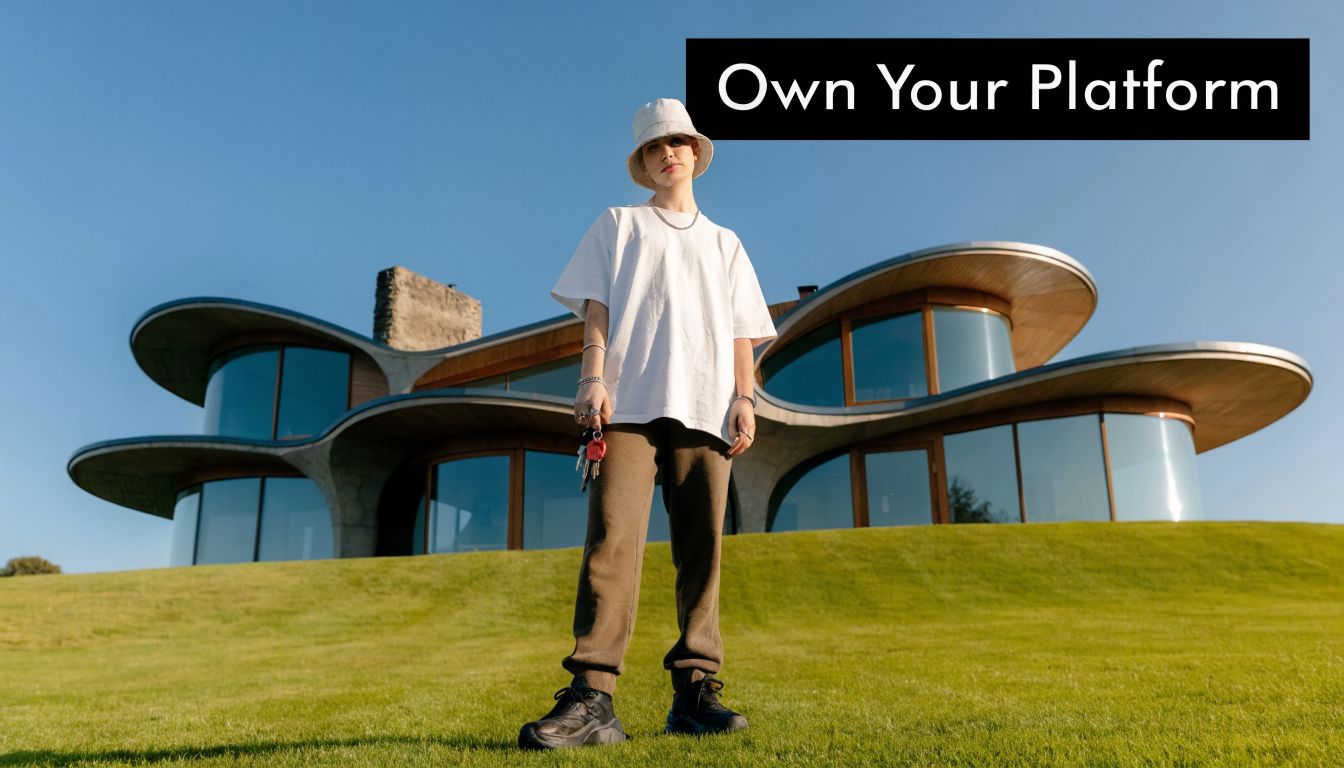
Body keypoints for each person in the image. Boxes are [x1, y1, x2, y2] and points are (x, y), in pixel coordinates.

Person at [517, 98, 777, 750]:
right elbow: (596, 313)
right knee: (612, 542)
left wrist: (746, 398)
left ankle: (694, 693)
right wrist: (592, 378)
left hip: (708, 405)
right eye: (655, 146)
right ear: (643, 160)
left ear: (695, 153)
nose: (669, 153)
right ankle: (594, 699)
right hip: (626, 405)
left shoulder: (726, 243)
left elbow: (744, 331)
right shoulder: (618, 225)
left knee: (702, 550)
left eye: (679, 143)